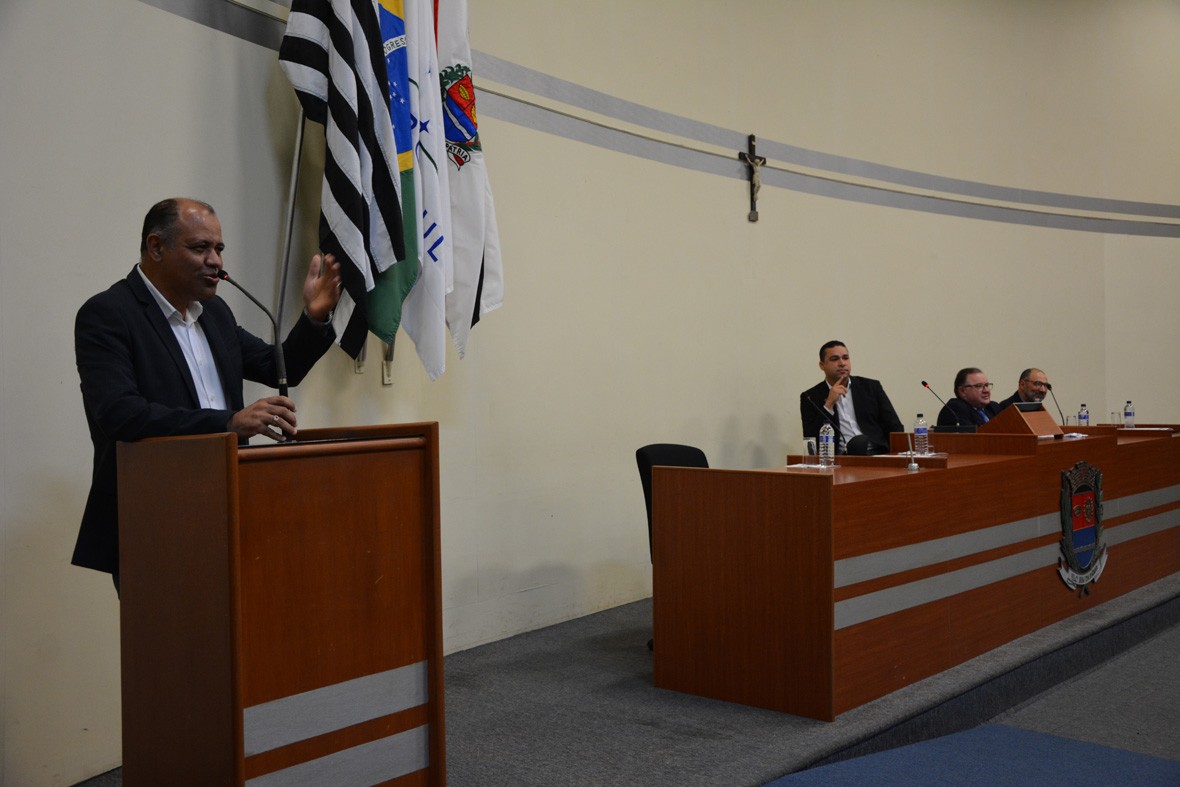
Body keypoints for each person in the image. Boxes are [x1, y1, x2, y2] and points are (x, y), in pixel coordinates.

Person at [73, 197, 343, 587]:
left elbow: (278, 367)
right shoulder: (109, 314)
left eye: (218, 248)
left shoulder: (214, 314)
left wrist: (314, 318)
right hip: (154, 519)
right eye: (200, 248)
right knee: (168, 625)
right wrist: (228, 423)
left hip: (231, 505)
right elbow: (120, 414)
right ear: (156, 247)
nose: (215, 260)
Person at [800, 340, 904, 454]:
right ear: (822, 365)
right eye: (834, 359)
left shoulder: (871, 387)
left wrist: (898, 455)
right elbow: (811, 441)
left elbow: (894, 427)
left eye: (845, 358)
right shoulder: (810, 397)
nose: (842, 363)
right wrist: (828, 405)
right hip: (842, 459)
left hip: (877, 454)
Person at [937, 367, 1004, 427]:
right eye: (979, 386)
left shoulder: (993, 407)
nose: (986, 390)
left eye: (986, 385)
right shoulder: (955, 409)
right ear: (962, 391)